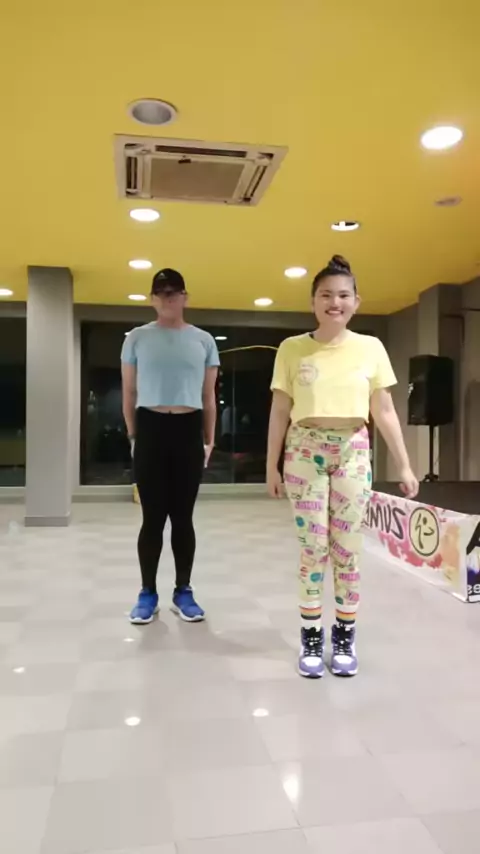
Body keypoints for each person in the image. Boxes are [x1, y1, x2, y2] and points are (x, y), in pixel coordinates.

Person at [267, 255, 418, 678]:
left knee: (347, 549)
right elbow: (279, 411)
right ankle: (312, 635)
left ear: (356, 301)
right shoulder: (292, 349)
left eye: (343, 295)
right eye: (326, 295)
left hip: (353, 449)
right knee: (313, 548)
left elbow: (384, 410)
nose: (335, 302)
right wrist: (271, 466)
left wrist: (405, 466)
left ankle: (345, 636)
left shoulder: (370, 348)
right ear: (313, 301)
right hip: (304, 450)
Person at [121, 268, 219, 624]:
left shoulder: (204, 340)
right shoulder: (136, 338)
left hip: (188, 428)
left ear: (185, 297)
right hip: (150, 426)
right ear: (152, 299)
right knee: (152, 518)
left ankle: (183, 591)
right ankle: (147, 593)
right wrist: (134, 437)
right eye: (161, 292)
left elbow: (208, 397)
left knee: (182, 517)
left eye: (174, 292)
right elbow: (129, 392)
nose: (168, 298)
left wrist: (209, 440)